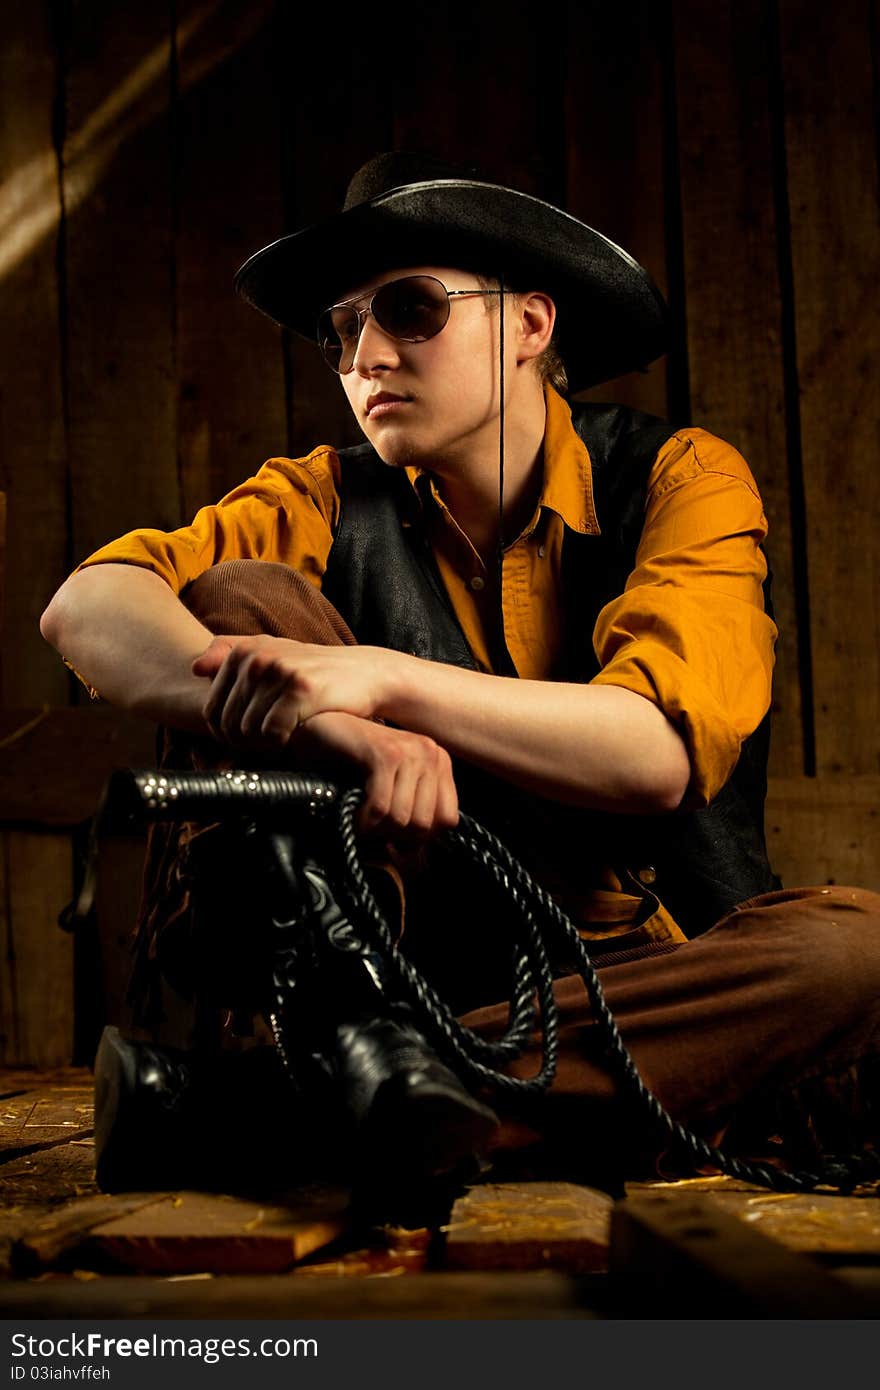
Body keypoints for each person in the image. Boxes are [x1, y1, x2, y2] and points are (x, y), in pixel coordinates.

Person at [41, 151, 880, 1202]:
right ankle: (400, 1083)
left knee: (859, 951)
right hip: (403, 961)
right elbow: (87, 605)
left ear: (531, 325)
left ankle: (275, 1113)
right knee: (241, 600)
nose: (366, 357)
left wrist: (384, 683)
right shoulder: (322, 497)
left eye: (410, 309)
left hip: (642, 996)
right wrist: (347, 732)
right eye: (340, 330)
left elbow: (652, 751)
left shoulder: (679, 477)